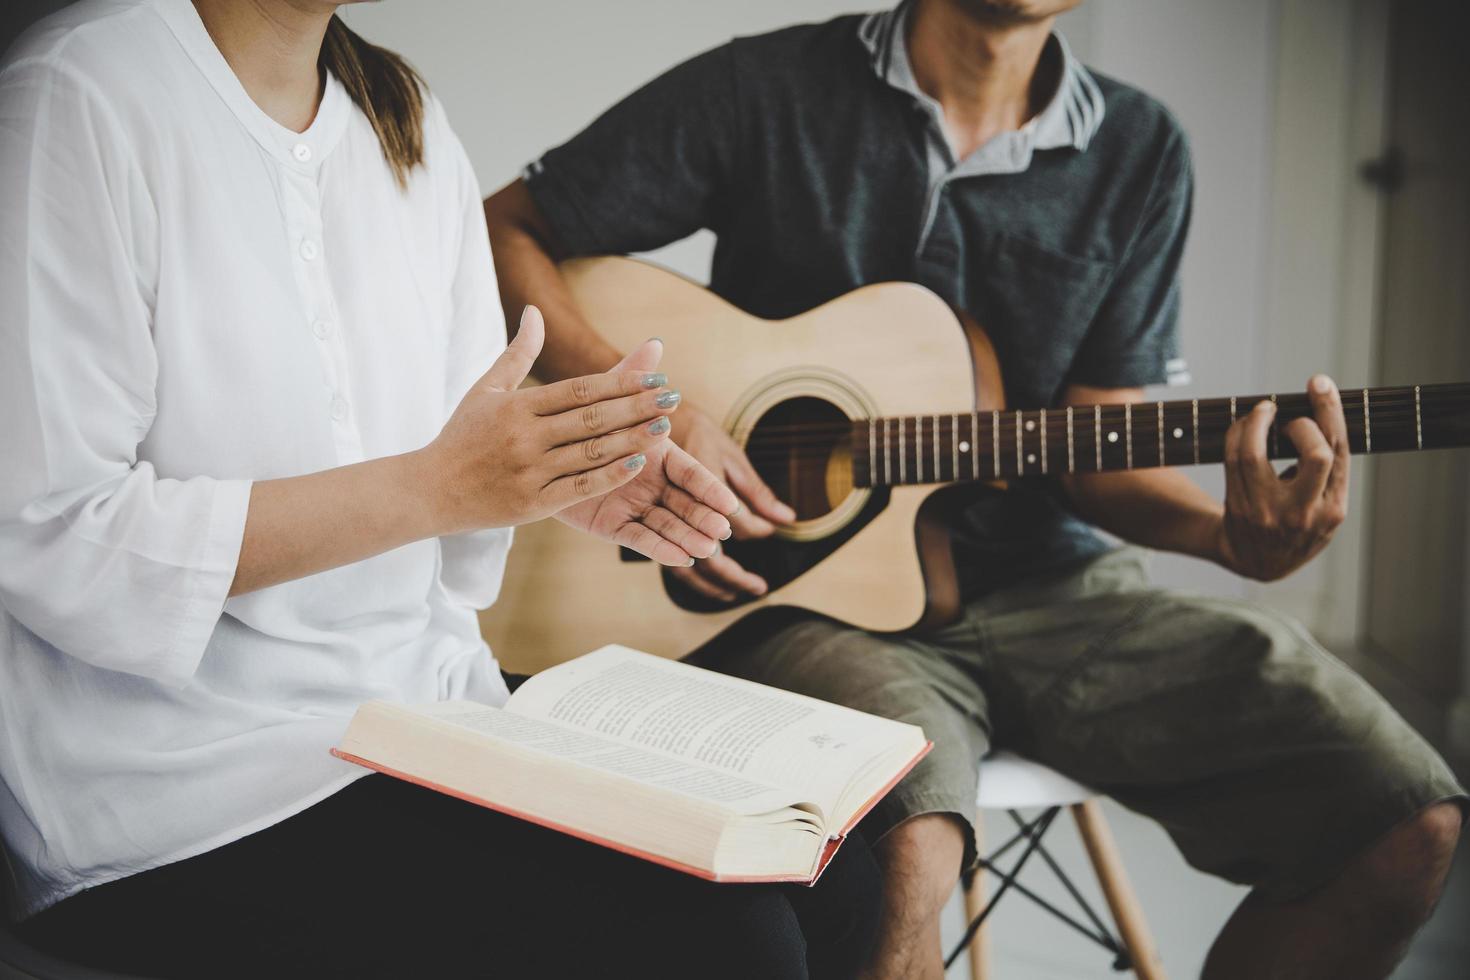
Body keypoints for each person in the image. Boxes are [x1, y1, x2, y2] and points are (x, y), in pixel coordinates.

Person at [484, 0, 1467, 976]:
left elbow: (1099, 442)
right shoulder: (765, 88)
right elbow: (505, 228)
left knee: (1405, 819)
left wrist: (1225, 538)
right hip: (813, 603)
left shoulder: (1140, 146)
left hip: (1065, 590)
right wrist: (646, 408)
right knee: (911, 852)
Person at [0, 1, 882, 977]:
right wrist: (441, 489)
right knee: (722, 941)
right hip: (180, 787)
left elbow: (454, 466)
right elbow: (52, 530)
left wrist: (561, 480)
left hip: (418, 714)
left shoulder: (404, 115)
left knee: (835, 869)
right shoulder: (79, 92)